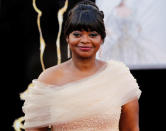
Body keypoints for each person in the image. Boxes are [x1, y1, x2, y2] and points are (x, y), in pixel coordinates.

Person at [22, 0, 141, 131]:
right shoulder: (49, 79)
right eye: (77, 34)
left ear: (101, 39)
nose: (85, 40)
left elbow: (131, 129)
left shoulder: (119, 77)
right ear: (67, 37)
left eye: (93, 35)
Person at [96, 0, 166, 69]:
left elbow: (136, 26)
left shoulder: (130, 10)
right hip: (120, 41)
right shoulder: (115, 11)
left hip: (129, 40)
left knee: (131, 57)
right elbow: (110, 25)